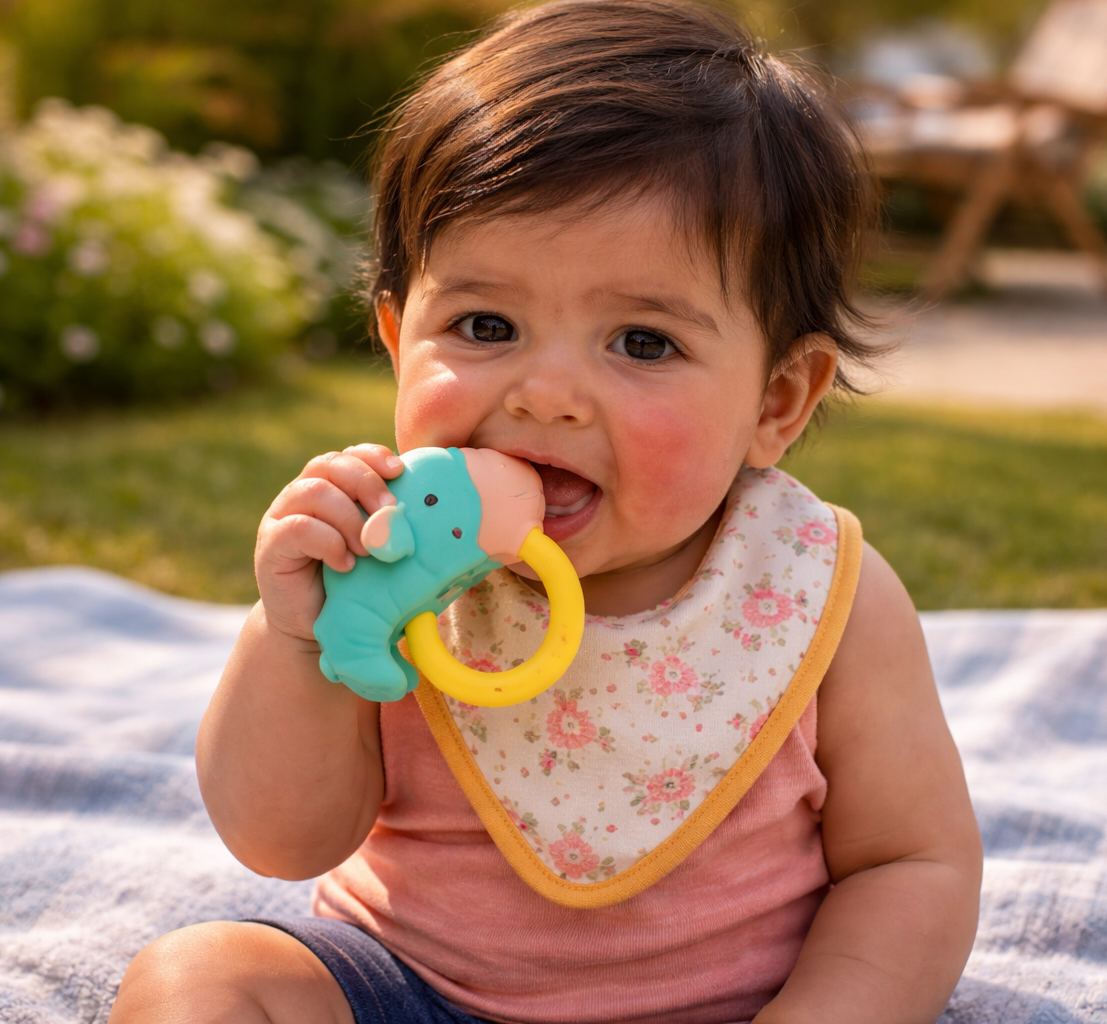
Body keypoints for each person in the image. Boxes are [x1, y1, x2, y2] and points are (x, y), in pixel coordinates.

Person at [109, 2, 983, 1021]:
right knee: (199, 979)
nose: (545, 393)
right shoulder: (389, 560)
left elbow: (910, 863)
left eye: (643, 343)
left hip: (728, 1004)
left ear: (777, 400)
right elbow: (281, 842)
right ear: (398, 339)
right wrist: (300, 639)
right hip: (412, 986)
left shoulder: (817, 593)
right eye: (486, 325)